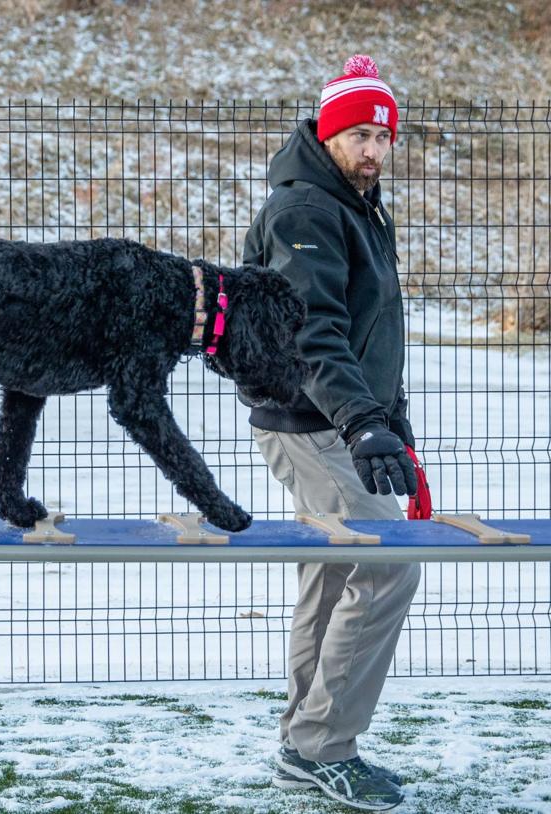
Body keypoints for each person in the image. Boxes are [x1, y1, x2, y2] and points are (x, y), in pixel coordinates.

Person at [241, 55, 424, 812]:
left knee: (332, 570)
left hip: (344, 422)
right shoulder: (305, 211)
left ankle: (305, 746)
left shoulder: (358, 203)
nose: (373, 148)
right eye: (357, 133)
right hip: (311, 422)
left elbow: (372, 328)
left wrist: (394, 425)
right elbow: (313, 335)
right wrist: (363, 425)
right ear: (326, 132)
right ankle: (323, 747)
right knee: (387, 567)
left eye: (383, 134)